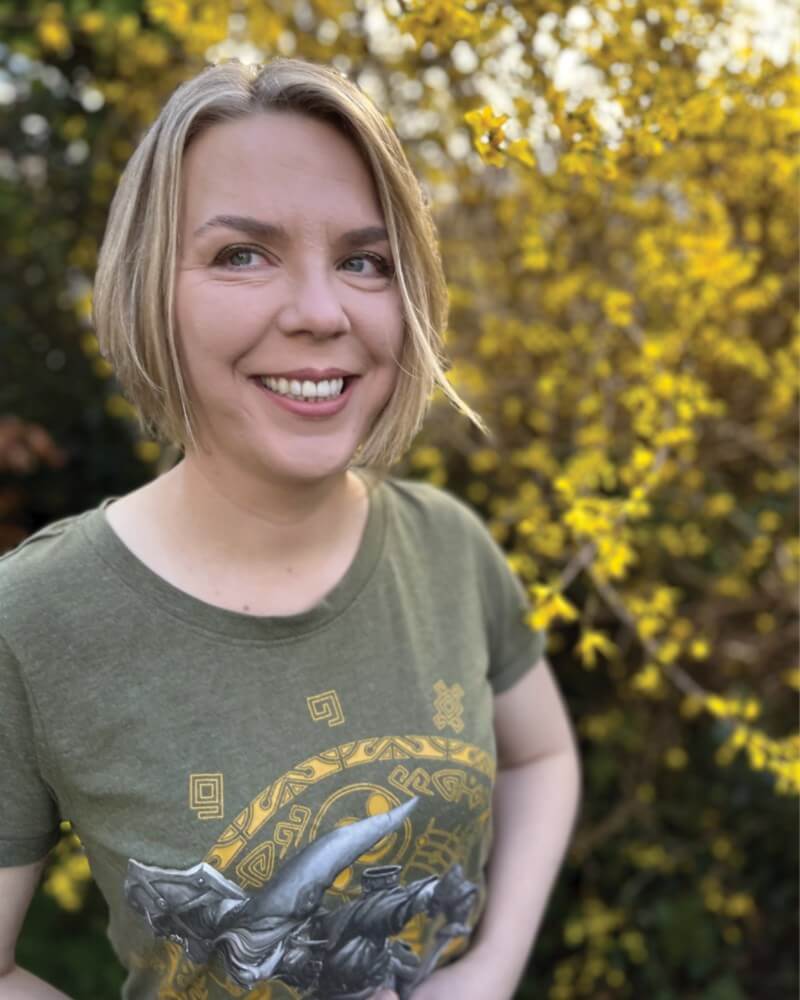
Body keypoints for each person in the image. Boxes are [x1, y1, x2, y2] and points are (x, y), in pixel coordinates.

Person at [0, 58, 581, 1000]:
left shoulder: (450, 547)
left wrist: (491, 968)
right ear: (150, 286)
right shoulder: (35, 620)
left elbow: (544, 757)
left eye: (364, 261)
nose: (320, 312)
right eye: (242, 254)